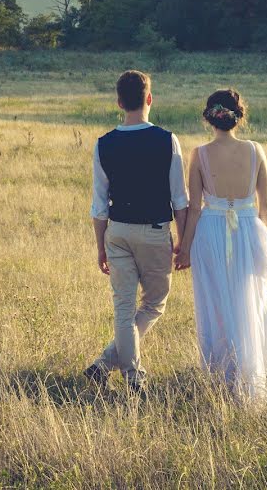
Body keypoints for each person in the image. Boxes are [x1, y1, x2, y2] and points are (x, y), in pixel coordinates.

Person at [175, 89, 267, 402]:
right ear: (239, 116)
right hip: (249, 230)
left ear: (210, 116)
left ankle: (224, 376)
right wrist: (261, 240)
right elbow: (265, 206)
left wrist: (184, 247)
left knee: (216, 305)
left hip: (211, 231)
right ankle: (250, 377)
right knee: (250, 302)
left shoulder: (200, 154)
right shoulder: (256, 150)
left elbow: (194, 208)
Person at [84, 70, 188, 393]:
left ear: (118, 102)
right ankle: (133, 376)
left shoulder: (104, 144)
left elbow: (99, 205)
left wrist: (100, 246)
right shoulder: (167, 140)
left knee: (123, 308)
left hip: (116, 232)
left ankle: (106, 364)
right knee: (154, 303)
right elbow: (180, 199)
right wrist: (184, 242)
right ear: (149, 99)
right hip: (155, 233)